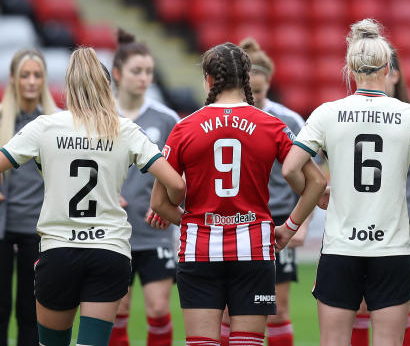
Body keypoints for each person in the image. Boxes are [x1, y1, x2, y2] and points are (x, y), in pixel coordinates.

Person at [282, 19, 410, 346]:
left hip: (341, 246)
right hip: (392, 248)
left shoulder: (327, 113)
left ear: (349, 67)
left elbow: (292, 168)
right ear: (388, 67)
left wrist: (318, 188)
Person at [0, 47, 185, 346]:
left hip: (58, 251)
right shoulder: (125, 130)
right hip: (108, 250)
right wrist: (167, 208)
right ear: (106, 85)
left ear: (68, 86)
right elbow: (176, 183)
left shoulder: (44, 126)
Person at [150, 42, 326, 346]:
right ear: (247, 77)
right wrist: (291, 227)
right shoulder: (272, 125)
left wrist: (192, 223)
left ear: (208, 78)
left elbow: (158, 204)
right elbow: (317, 183)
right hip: (254, 249)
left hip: (200, 250)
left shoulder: (184, 128)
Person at [350, 47, 410, 346]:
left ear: (394, 74)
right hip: (353, 229)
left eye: (383, 69)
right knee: (357, 308)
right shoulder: (349, 114)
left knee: (398, 309)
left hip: (399, 231)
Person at [217, 39, 310, 346]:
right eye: (249, 91)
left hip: (278, 220)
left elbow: (312, 177)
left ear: (269, 83)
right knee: (229, 310)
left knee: (277, 309)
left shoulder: (289, 121)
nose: (254, 97)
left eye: (259, 91)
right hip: (236, 218)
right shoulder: (226, 118)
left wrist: (302, 224)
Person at [109, 30, 180, 346]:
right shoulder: (103, 117)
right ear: (117, 73)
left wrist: (164, 201)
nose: (144, 78)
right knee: (117, 310)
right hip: (114, 231)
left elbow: (183, 172)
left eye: (149, 72)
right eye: (137, 71)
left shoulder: (166, 118)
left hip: (154, 230)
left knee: (158, 308)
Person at [0, 49, 58, 346]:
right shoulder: (1, 118)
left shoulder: (56, 123)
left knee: (30, 313)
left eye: (38, 75)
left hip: (37, 231)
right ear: (13, 79)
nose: (32, 81)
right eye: (25, 75)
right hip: (2, 229)